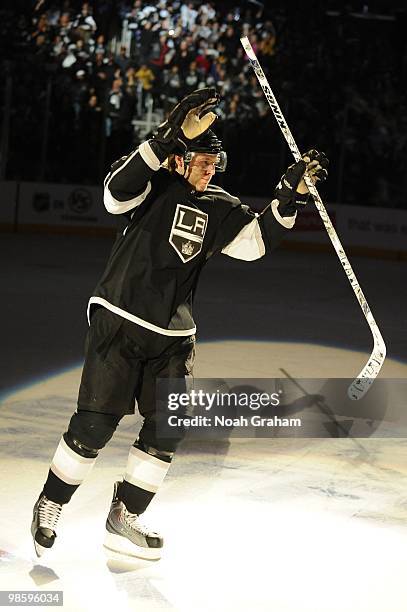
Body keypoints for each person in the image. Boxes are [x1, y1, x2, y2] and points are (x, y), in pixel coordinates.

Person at [31, 87, 328, 560]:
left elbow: (253, 243)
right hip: (121, 319)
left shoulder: (219, 206)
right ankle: (52, 501)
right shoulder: (151, 186)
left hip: (173, 335)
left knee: (167, 428)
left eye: (216, 162)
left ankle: (124, 515)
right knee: (93, 427)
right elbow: (113, 194)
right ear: (178, 159)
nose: (211, 169)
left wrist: (287, 196)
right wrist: (167, 135)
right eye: (203, 160)